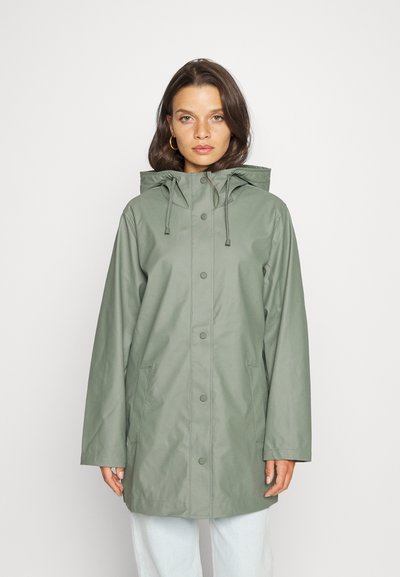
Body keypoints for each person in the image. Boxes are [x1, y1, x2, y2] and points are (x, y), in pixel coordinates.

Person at [80, 57, 312, 577]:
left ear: (235, 124)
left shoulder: (269, 214)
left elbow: (286, 331)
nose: (202, 132)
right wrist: (107, 436)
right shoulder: (140, 215)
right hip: (158, 425)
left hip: (240, 425)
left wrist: (286, 438)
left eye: (216, 116)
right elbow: (116, 328)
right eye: (187, 117)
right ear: (169, 125)